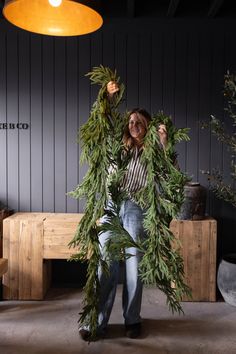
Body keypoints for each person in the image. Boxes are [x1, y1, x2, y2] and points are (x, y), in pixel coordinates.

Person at [79, 81, 168, 341]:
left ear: (148, 126)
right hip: (110, 207)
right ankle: (96, 322)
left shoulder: (152, 152)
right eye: (131, 121)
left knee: (134, 264)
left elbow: (167, 174)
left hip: (135, 209)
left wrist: (163, 142)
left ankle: (132, 320)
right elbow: (101, 121)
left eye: (139, 122)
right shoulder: (117, 145)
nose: (134, 125)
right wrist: (106, 97)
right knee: (104, 264)